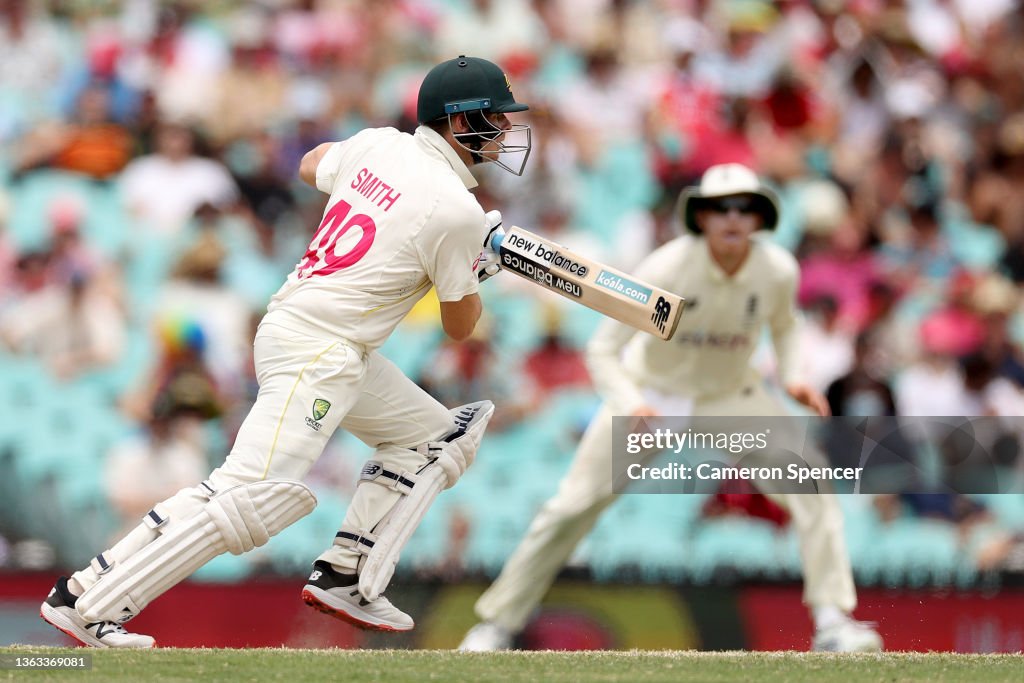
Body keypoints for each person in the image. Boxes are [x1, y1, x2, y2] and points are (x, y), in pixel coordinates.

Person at [40, 55, 531, 648]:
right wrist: (482, 262)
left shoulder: (380, 144)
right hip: (321, 351)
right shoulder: (457, 211)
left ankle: (348, 573)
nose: (505, 133)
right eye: (496, 119)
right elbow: (460, 326)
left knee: (435, 437)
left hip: (304, 331)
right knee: (248, 495)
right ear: (460, 123)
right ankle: (87, 600)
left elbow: (308, 164)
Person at [460, 163, 883, 653]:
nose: (732, 217)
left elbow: (785, 326)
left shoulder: (776, 270)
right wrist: (631, 403)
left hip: (728, 396)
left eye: (744, 208)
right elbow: (602, 351)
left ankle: (832, 622)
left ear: (759, 217)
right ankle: (496, 624)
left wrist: (792, 376)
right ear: (700, 217)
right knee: (570, 508)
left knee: (810, 482)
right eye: (720, 208)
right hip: (653, 395)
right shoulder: (666, 268)